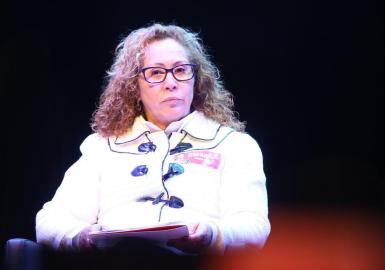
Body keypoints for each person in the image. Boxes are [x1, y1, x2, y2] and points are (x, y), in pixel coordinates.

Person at [35, 23, 270, 255]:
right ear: (134, 86)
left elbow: (253, 225)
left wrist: (212, 234)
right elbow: (51, 220)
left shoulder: (235, 146)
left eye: (180, 70)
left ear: (196, 80)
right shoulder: (101, 148)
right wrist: (84, 238)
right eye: (156, 72)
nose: (171, 83)